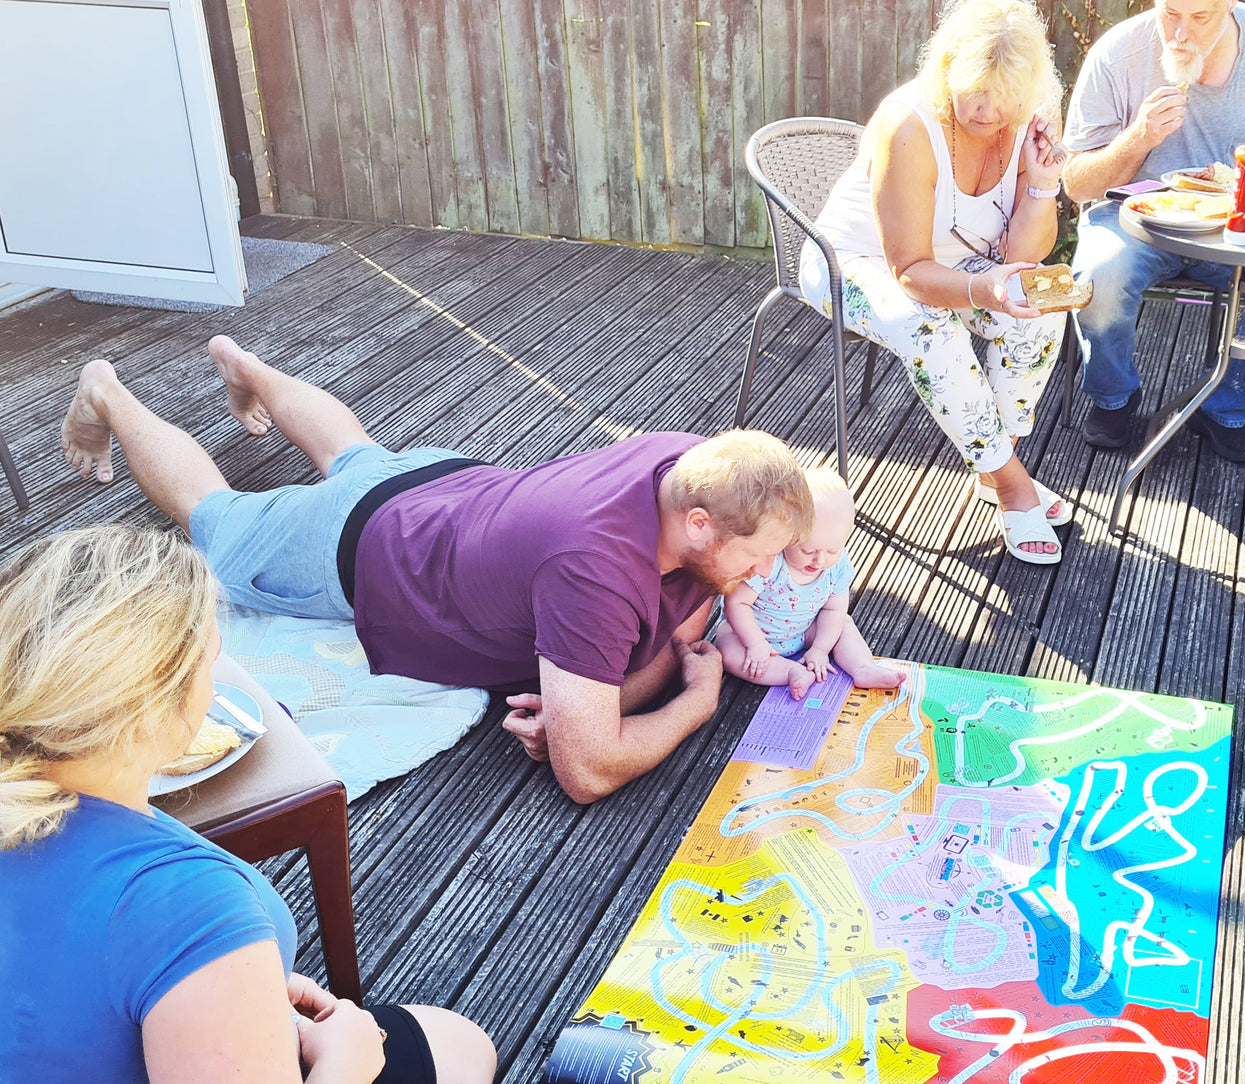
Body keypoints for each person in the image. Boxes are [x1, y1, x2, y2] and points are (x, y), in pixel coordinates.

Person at [59, 338, 813, 804]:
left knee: (357, 456)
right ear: (699, 522)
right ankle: (111, 395)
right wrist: (694, 700)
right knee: (212, 514)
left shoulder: (691, 462)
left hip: (447, 490)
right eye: (757, 553)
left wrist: (605, 698)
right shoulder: (594, 571)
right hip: (357, 546)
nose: (768, 571)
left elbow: (647, 653)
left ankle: (246, 364)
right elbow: (588, 773)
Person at [0, 525, 496, 1084]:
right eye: (210, 665)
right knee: (460, 1049)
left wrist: (229, 989)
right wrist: (349, 1061)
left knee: (451, 1039)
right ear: (148, 712)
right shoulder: (184, 900)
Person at [799, 0, 1073, 566]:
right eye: (975, 88)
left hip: (962, 262)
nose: (986, 108)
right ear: (948, 66)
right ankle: (1013, 483)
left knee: (1043, 301)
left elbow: (1022, 256)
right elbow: (909, 271)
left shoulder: (1024, 118)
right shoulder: (909, 125)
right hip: (854, 261)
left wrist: (1044, 184)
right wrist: (986, 290)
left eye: (1005, 98)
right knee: (925, 326)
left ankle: (996, 464)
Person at [1061, 0, 1245, 461]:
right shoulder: (1117, 52)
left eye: (1199, 18)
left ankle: (1227, 405)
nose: (1180, 33)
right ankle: (1114, 398)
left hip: (1240, 223)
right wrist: (1139, 137)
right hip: (1135, 219)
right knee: (1096, 279)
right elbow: (1076, 183)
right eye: (1171, 14)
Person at [715, 468, 906, 700]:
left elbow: (833, 609)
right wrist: (755, 644)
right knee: (727, 648)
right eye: (808, 550)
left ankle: (863, 668)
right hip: (753, 634)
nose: (820, 559)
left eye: (833, 550)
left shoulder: (836, 566)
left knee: (843, 624)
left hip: (804, 631)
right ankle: (791, 672)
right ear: (787, 536)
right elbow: (737, 604)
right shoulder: (770, 561)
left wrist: (820, 649)